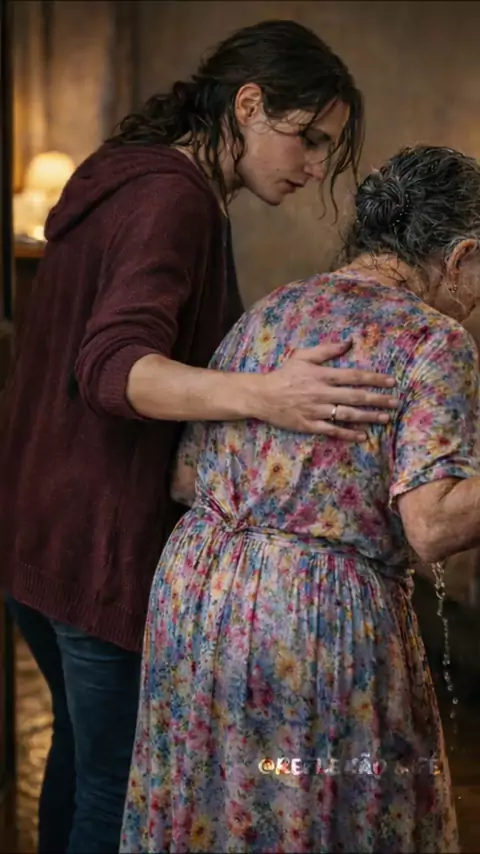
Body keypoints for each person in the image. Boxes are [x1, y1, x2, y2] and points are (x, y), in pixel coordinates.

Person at [0, 19, 399, 854]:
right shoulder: (173, 199)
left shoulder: (121, 172)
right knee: (113, 785)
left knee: (79, 758)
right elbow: (115, 369)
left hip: (34, 528)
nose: (315, 166)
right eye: (308, 138)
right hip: (95, 541)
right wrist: (269, 395)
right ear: (248, 105)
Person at [120, 144, 480, 854]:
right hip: (312, 618)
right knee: (318, 811)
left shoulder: (275, 309)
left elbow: (187, 477)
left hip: (197, 597)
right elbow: (433, 525)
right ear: (462, 255)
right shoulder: (435, 340)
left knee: (212, 812)